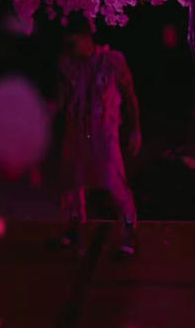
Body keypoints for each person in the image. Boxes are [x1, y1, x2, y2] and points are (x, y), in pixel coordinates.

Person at [50, 19, 142, 259]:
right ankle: (74, 227)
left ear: (87, 38)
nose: (69, 49)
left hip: (104, 129)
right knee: (72, 179)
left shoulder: (112, 62)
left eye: (73, 44)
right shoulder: (66, 64)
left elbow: (129, 96)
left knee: (112, 179)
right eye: (66, 45)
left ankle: (129, 229)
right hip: (76, 128)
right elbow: (62, 99)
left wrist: (135, 130)